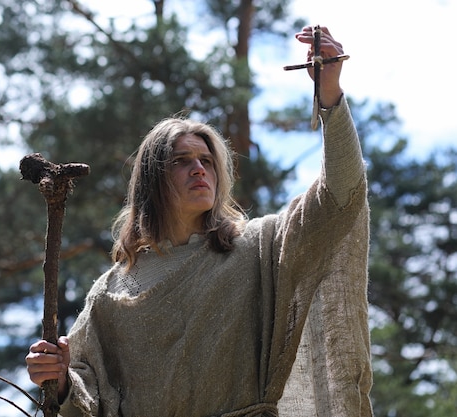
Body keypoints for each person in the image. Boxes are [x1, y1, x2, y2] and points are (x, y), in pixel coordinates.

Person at [26, 25, 373, 417]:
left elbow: (340, 196)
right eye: (182, 161)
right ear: (153, 180)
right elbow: (85, 398)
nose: (199, 170)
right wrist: (57, 380)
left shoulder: (258, 248)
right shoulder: (111, 293)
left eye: (206, 161)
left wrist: (330, 96)